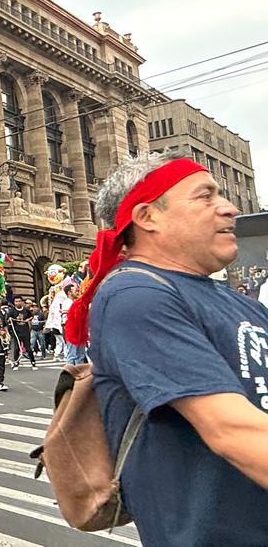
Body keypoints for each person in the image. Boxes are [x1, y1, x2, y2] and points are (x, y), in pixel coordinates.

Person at [77, 154, 268, 545]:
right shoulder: (135, 295)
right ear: (148, 217)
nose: (229, 207)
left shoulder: (240, 302)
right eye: (205, 196)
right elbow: (231, 429)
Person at [62, 282, 87, 363]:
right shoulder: (67, 303)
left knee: (80, 355)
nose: (77, 292)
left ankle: (78, 373)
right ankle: (70, 374)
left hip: (79, 330)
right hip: (72, 331)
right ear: (69, 292)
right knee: (72, 355)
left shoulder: (74, 302)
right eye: (75, 290)